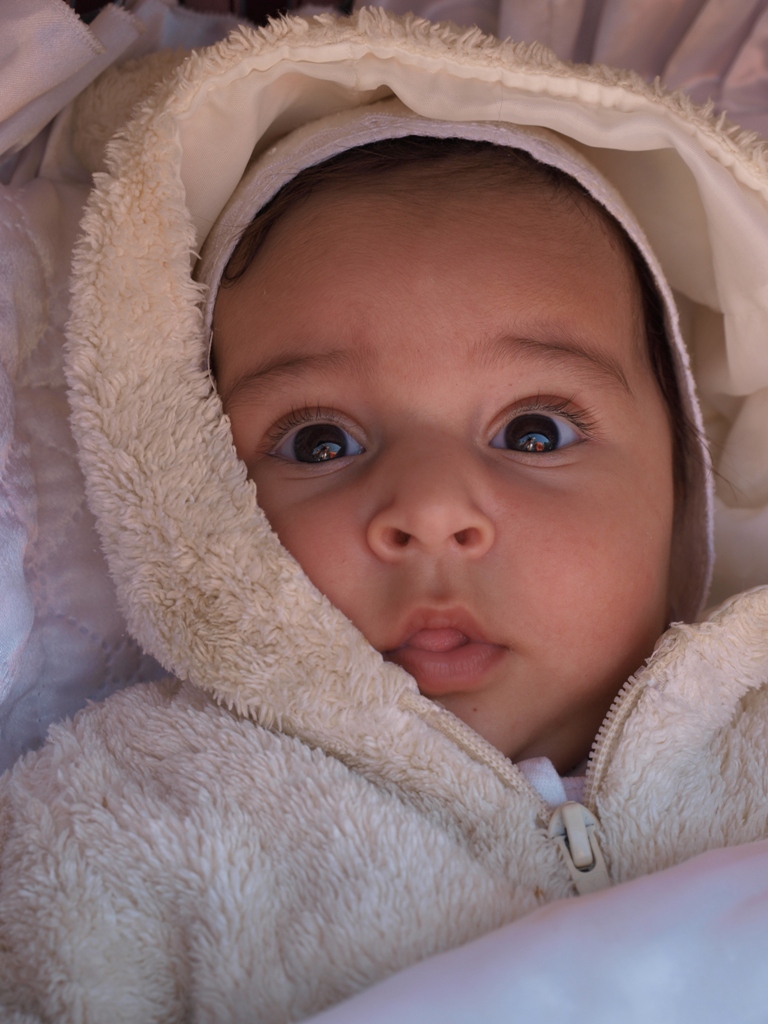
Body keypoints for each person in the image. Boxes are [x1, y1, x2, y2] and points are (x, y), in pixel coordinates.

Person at [2, 8, 768, 1020]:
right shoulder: (125, 821)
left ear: (682, 486)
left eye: (534, 431)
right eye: (322, 442)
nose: (430, 508)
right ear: (193, 490)